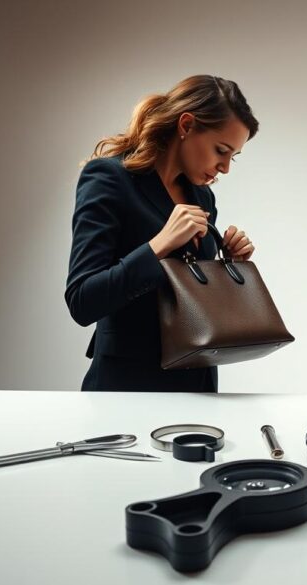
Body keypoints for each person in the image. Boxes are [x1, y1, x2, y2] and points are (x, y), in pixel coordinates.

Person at [65, 75, 258, 392]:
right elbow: (83, 300)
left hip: (197, 383)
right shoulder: (108, 178)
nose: (225, 167)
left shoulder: (201, 195)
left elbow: (189, 291)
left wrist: (229, 263)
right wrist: (158, 245)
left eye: (232, 156)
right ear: (186, 125)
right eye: (220, 150)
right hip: (128, 385)